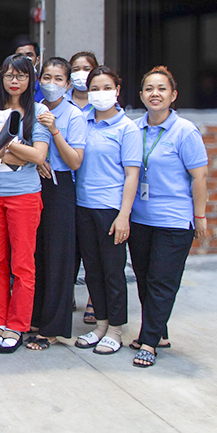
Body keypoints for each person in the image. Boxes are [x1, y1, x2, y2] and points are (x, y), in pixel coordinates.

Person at [128, 66, 209, 368]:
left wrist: (200, 217)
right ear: (141, 95)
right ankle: (158, 332)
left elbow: (199, 177)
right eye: (149, 88)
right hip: (140, 218)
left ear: (173, 95)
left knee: (162, 281)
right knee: (144, 279)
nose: (155, 94)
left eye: (162, 89)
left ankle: (148, 342)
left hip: (174, 220)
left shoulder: (185, 131)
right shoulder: (133, 129)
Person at [0, 54, 50, 354]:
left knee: (22, 263)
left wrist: (2, 145)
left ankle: (17, 325)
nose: (14, 81)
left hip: (24, 196)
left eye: (21, 75)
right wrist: (4, 151)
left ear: (31, 79)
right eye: (9, 75)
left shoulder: (39, 112)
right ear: (1, 78)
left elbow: (39, 156)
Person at [73, 66, 142, 356]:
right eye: (94, 89)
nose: (100, 94)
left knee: (113, 272)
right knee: (92, 271)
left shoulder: (127, 128)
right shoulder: (82, 121)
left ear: (117, 91)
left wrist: (124, 214)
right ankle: (100, 325)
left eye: (106, 88)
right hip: (83, 205)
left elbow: (132, 174)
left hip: (111, 209)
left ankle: (115, 329)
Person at [27, 57, 85, 351]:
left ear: (68, 83)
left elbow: (75, 161)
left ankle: (53, 328)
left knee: (58, 258)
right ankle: (36, 318)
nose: (51, 84)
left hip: (61, 187)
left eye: (58, 78)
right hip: (34, 184)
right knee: (36, 255)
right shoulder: (34, 109)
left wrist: (54, 131)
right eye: (46, 78)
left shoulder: (73, 115)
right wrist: (37, 160)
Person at [69, 50, 100, 324]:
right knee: (68, 247)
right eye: (76, 68)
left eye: (86, 68)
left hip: (93, 186)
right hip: (65, 187)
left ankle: (94, 298)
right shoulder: (59, 103)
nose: (81, 74)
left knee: (94, 249)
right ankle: (66, 292)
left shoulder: (102, 106)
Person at [12, 35, 45, 102]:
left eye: (29, 55)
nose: (25, 59)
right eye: (20, 56)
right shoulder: (7, 87)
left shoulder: (45, 87)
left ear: (38, 60)